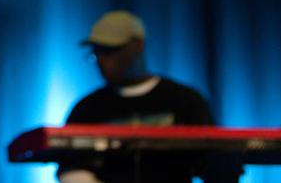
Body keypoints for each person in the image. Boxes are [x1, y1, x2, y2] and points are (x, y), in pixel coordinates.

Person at [58, 10, 239, 183]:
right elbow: (71, 169)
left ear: (137, 46)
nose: (101, 60)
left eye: (109, 51)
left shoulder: (185, 100)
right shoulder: (86, 109)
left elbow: (216, 166)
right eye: (96, 53)